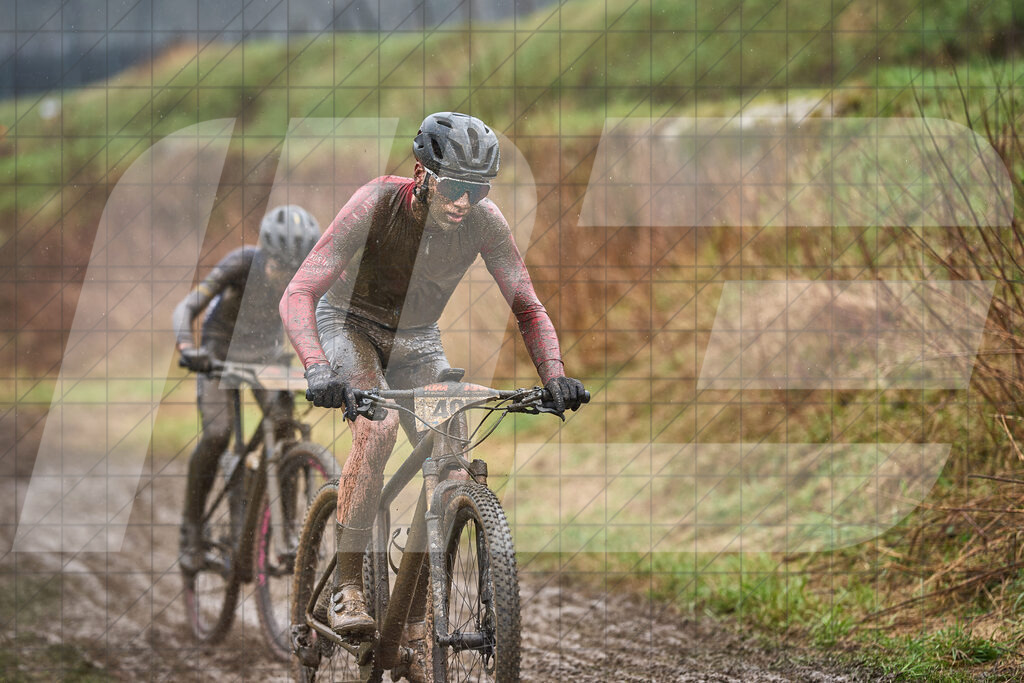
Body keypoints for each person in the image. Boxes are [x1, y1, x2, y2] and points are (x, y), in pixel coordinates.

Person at [279, 112, 586, 674]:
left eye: (477, 189)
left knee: (453, 454)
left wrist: (554, 375)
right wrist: (318, 366)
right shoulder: (375, 203)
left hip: (417, 339)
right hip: (348, 324)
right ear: (421, 173)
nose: (464, 201)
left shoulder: (485, 224)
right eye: (454, 186)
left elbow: (528, 306)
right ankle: (348, 587)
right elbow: (299, 291)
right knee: (379, 431)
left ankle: (417, 626)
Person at [174, 205, 321, 573]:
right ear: (265, 254)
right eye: (278, 266)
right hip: (218, 354)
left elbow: (325, 320)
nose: (284, 276)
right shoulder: (241, 263)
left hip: (267, 359)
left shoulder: (309, 278)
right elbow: (188, 306)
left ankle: (286, 536)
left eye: (294, 268)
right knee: (218, 433)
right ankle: (191, 529)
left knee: (285, 428)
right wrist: (188, 349)